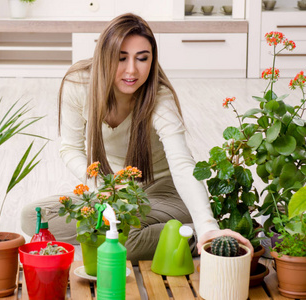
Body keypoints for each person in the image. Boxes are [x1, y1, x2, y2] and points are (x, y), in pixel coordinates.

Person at [21, 13, 252, 264]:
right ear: (104, 55)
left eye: (142, 58)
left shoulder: (159, 97)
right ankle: (159, 230)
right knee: (32, 218)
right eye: (121, 58)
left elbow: (183, 164)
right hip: (115, 191)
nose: (132, 70)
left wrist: (207, 224)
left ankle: (196, 235)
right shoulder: (79, 84)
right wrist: (100, 185)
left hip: (164, 190)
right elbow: (70, 148)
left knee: (124, 241)